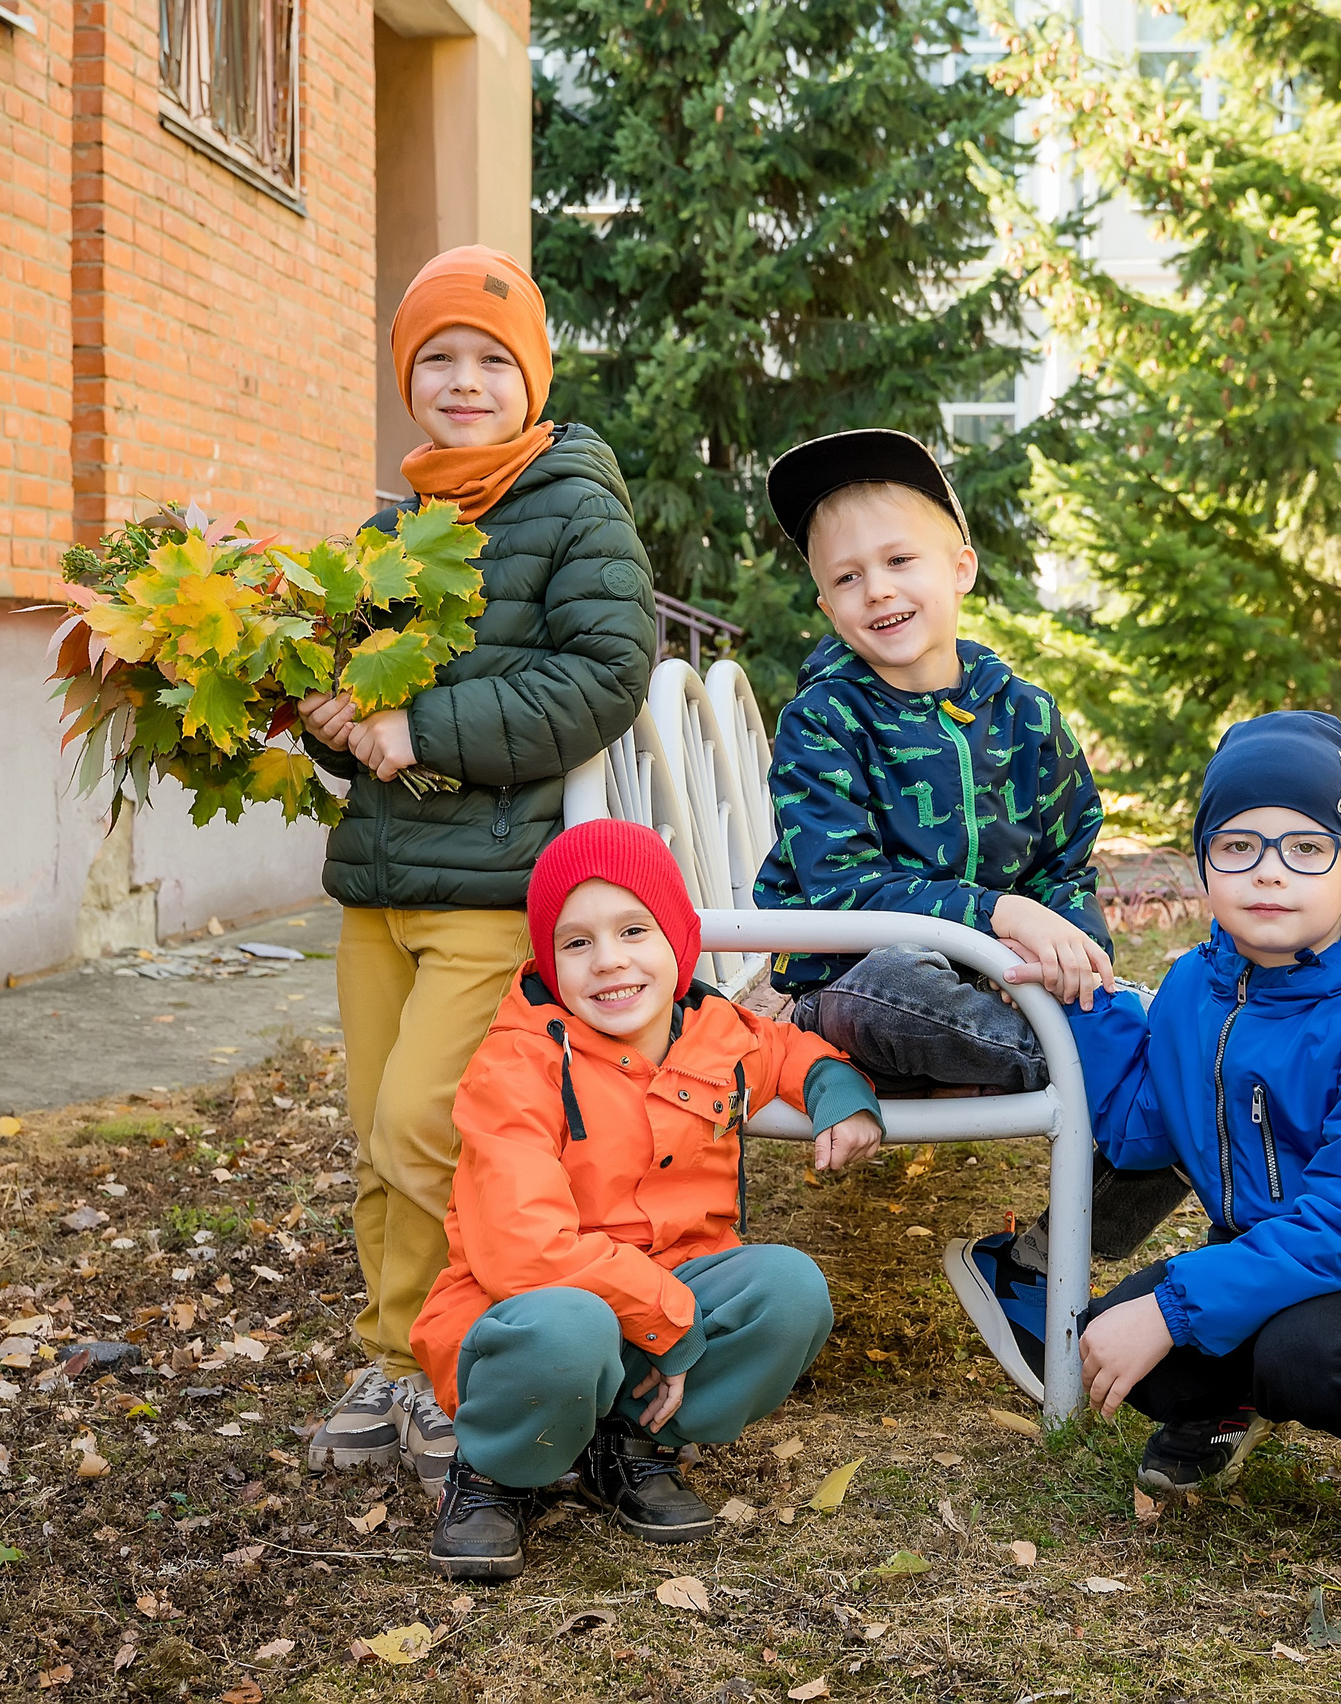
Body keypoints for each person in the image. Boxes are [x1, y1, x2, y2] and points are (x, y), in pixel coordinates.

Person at [980, 711, 1341, 1556]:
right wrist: (1080, 999)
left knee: (1313, 1352)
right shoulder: (1198, 989)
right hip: (1276, 1248)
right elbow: (1136, 1131)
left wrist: (1176, 1306)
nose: (1269, 871)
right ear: (1205, 866)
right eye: (1237, 846)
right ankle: (1230, 1405)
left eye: (1305, 848)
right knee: (1120, 1336)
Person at [294, 246, 656, 1482]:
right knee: (374, 1137)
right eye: (437, 358)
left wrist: (422, 728)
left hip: (496, 887)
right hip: (381, 887)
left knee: (429, 1125)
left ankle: (476, 1362)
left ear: (532, 378)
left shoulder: (574, 505)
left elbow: (604, 675)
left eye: (491, 360)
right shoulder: (386, 533)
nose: (463, 381)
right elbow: (362, 714)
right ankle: (396, 1360)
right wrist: (330, 719)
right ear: (407, 378)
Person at [753, 430, 1191, 1403]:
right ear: (826, 605)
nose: (878, 591)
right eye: (847, 578)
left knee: (1187, 1060)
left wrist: (1072, 945)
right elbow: (838, 889)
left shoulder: (1025, 717)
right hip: (858, 1003)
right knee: (922, 986)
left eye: (899, 561)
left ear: (959, 569)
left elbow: (1067, 864)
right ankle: (1090, 1065)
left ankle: (1028, 1265)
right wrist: (995, 914)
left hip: (1001, 1004)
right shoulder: (825, 721)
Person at [409, 820, 885, 1579]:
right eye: (577, 942)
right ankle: (495, 1468)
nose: (609, 960)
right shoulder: (515, 1064)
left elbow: (789, 1050)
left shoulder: (716, 1031)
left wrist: (838, 1091)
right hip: (533, 1309)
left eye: (634, 929)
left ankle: (629, 1441)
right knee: (569, 1329)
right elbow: (524, 1251)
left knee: (789, 1290)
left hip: (672, 1292)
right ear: (549, 961)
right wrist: (668, 1318)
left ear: (679, 938)